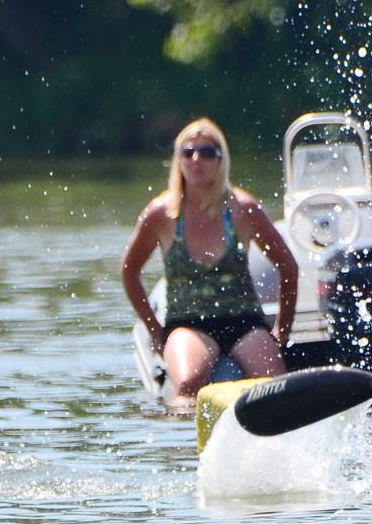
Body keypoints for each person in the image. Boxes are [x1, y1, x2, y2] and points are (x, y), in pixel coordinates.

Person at [121, 118, 298, 406]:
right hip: (189, 325)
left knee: (274, 387)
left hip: (245, 323)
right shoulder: (160, 214)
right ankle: (185, 444)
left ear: (220, 160)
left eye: (206, 152)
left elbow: (288, 266)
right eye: (188, 152)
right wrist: (155, 329)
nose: (196, 159)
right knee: (189, 383)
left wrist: (283, 330)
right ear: (178, 160)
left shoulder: (243, 208)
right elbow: (129, 272)